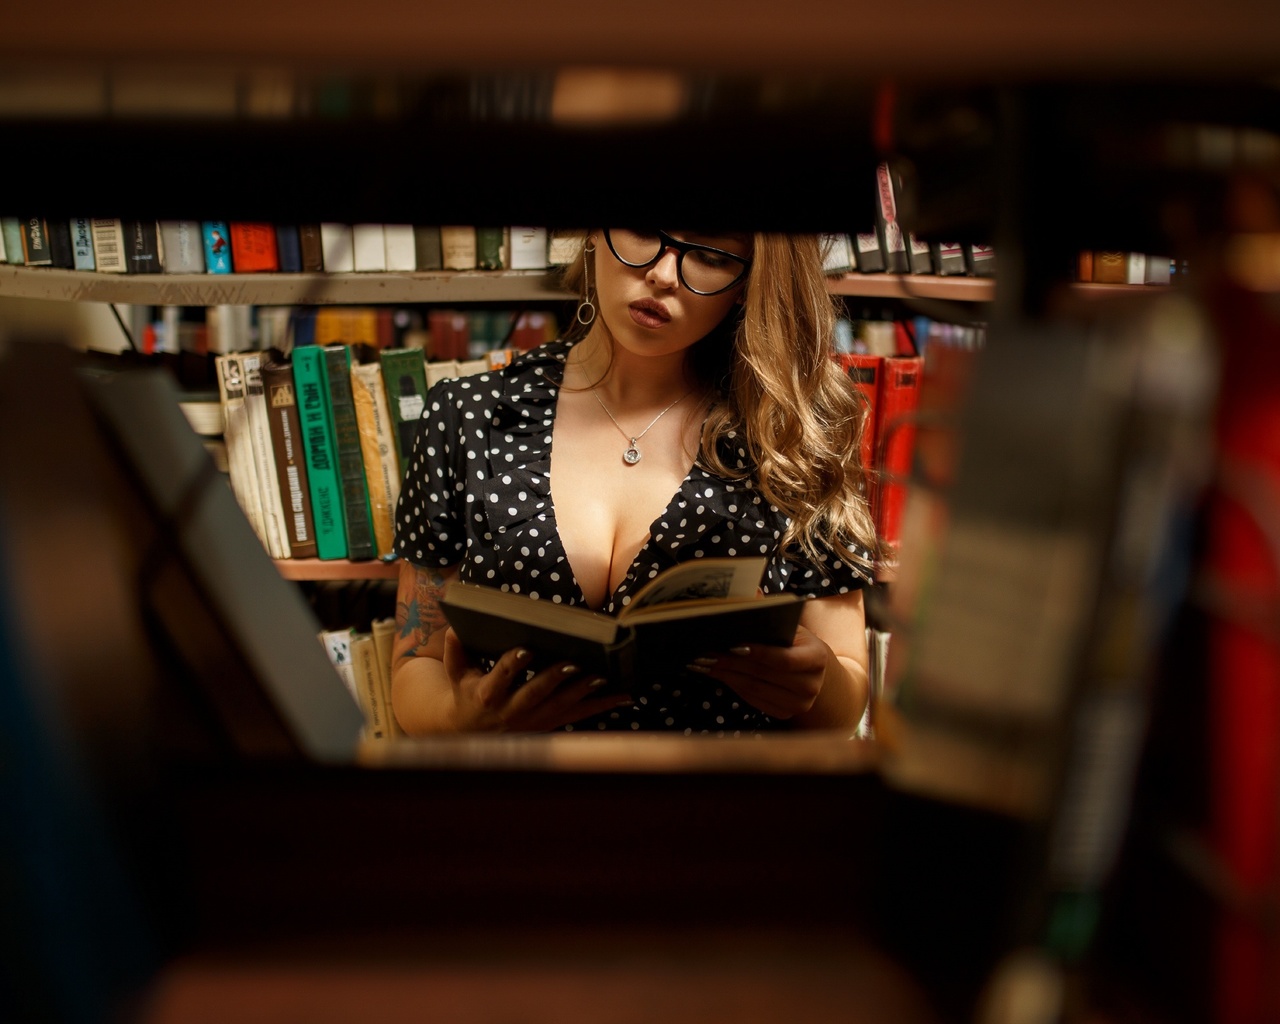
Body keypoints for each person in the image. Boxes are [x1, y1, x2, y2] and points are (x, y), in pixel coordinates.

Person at [390, 229, 880, 735]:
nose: (663, 276)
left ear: (751, 281)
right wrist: (461, 717)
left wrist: (814, 689)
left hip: (720, 806)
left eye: (711, 256)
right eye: (645, 231)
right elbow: (415, 662)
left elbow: (846, 690)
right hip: (526, 802)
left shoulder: (793, 432)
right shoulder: (467, 414)